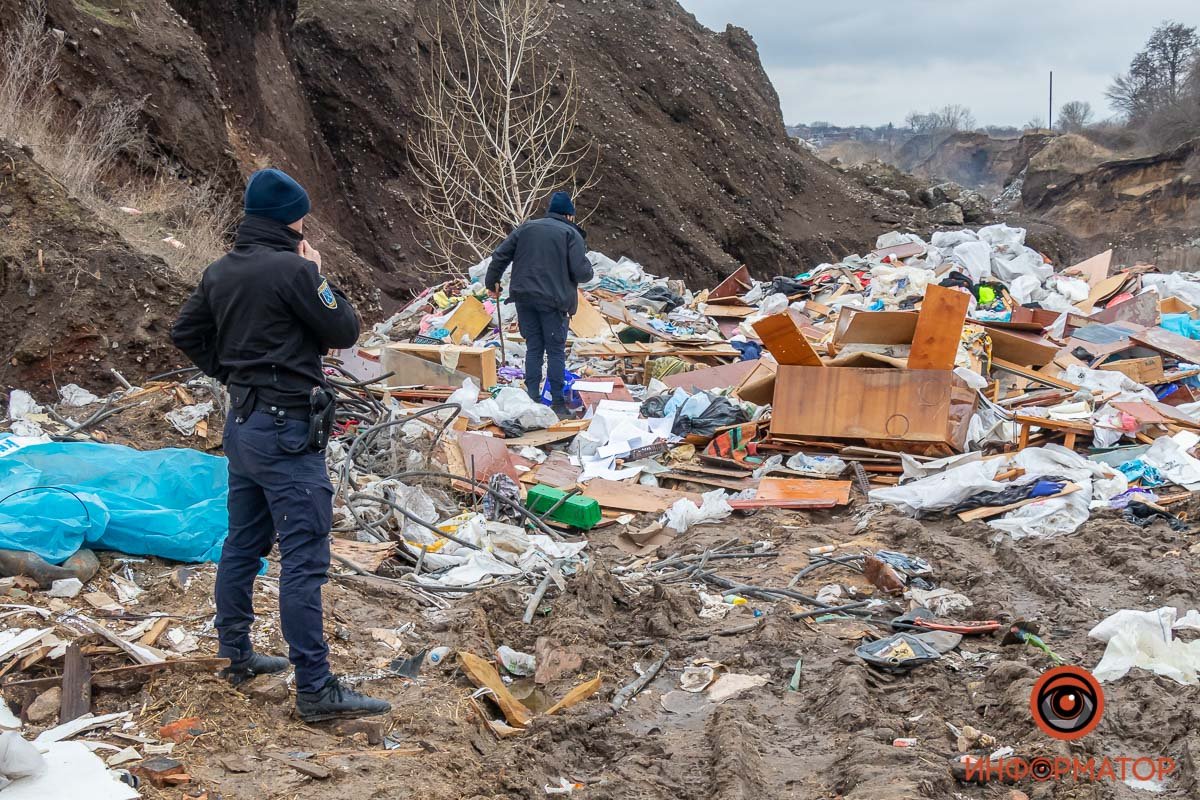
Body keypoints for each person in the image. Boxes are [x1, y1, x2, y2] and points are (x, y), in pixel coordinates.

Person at [171, 168, 390, 722]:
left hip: (244, 427)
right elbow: (343, 330)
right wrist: (318, 274)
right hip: (287, 430)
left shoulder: (220, 271)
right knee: (304, 558)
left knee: (243, 543)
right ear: (291, 218)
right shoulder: (296, 270)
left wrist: (233, 376)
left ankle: (235, 653)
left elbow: (186, 332)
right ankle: (315, 688)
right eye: (302, 215)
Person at [485, 191, 594, 417]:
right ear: (569, 215)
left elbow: (500, 255)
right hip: (554, 302)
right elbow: (582, 273)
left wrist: (492, 281)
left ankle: (532, 398)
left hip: (524, 298)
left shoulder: (527, 228)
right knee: (555, 351)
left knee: (534, 347)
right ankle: (557, 404)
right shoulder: (570, 234)